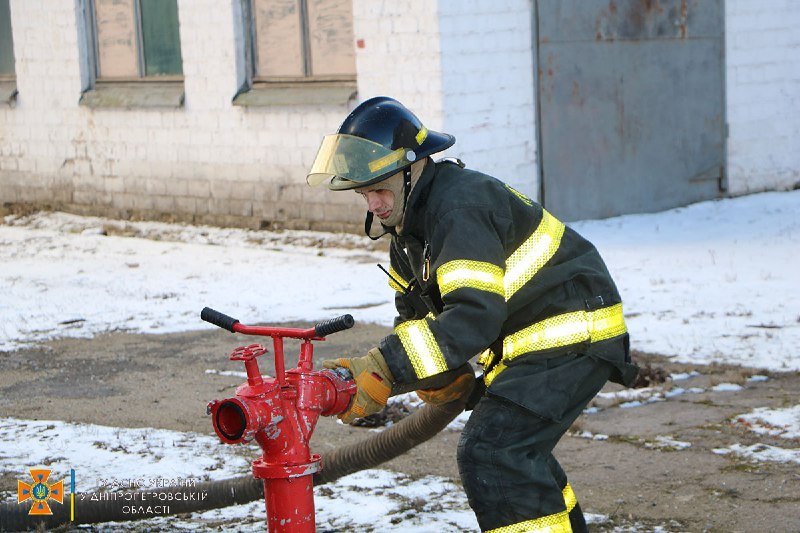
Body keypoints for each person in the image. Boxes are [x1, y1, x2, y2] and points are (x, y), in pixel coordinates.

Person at [306, 96, 638, 532]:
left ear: (412, 170)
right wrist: (435, 375)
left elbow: (473, 318)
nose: (374, 205)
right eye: (364, 193)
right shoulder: (408, 233)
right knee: (518, 456)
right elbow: (416, 318)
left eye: (379, 188)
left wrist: (385, 367)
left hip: (573, 331)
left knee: (494, 453)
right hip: (537, 339)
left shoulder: (459, 209)